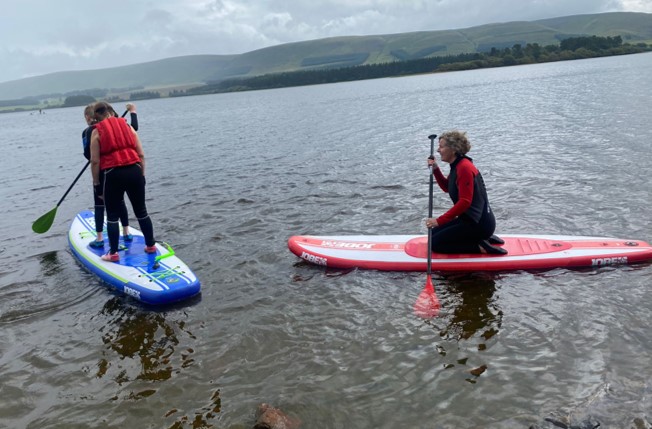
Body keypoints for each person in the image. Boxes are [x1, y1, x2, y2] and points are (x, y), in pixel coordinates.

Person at [89, 101, 156, 262]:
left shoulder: (96, 131)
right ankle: (150, 245)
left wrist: (96, 183)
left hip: (113, 174)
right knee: (141, 211)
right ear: (112, 112)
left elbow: (95, 161)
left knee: (112, 215)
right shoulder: (128, 127)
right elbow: (141, 155)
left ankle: (113, 253)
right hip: (135, 171)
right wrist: (143, 175)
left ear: (96, 117)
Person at [425, 130, 507, 255]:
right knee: (433, 234)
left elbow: (465, 201)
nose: (438, 150)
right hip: (470, 220)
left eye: (441, 146)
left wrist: (439, 220)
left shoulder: (464, 167)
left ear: (453, 149)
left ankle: (480, 246)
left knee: (435, 243)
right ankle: (479, 239)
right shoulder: (457, 165)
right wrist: (436, 169)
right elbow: (448, 187)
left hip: (479, 225)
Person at [82, 102, 139, 248]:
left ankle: (100, 238)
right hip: (117, 169)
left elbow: (88, 155)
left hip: (102, 172)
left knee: (100, 204)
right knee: (120, 203)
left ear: (89, 117)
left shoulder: (89, 132)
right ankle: (126, 233)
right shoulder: (118, 125)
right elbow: (134, 128)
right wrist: (132, 112)